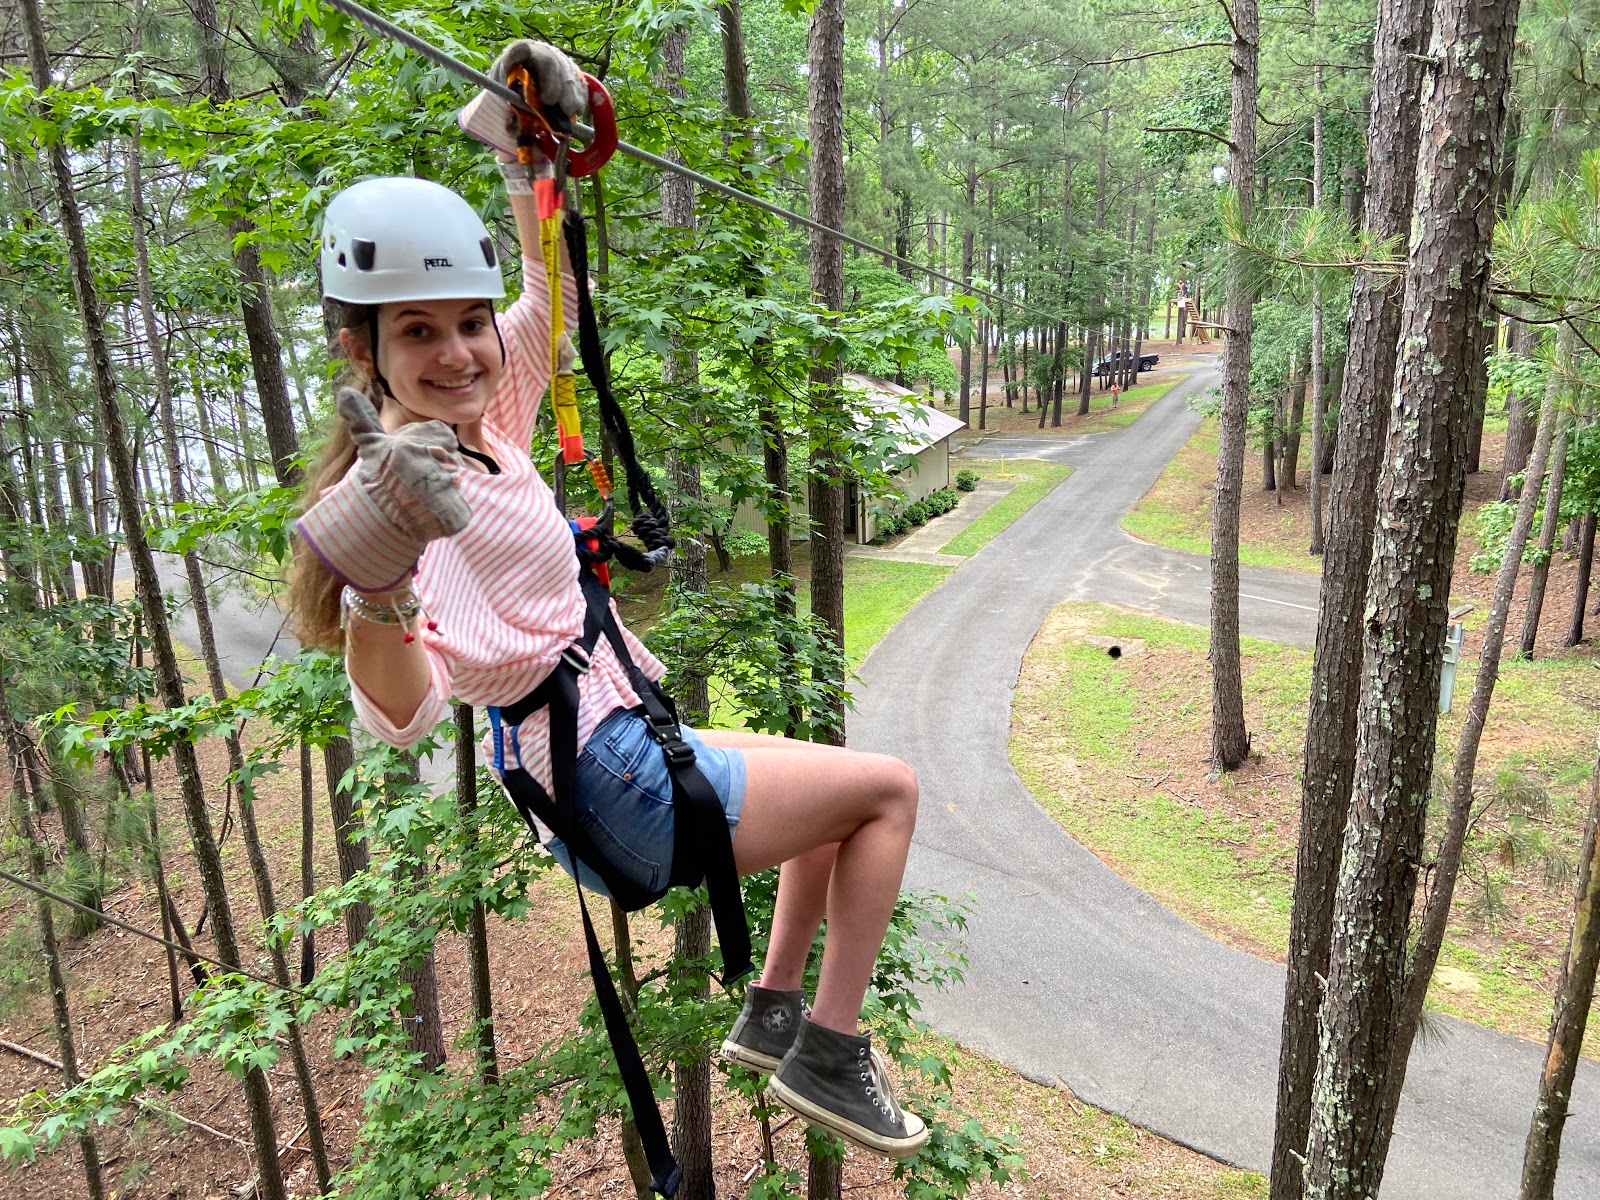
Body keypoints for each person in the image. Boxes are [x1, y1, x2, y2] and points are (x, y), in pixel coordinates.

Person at [288, 40, 928, 1160]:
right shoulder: (405, 500)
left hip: (615, 744)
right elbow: (402, 713)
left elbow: (552, 301)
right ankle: (831, 1051)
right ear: (361, 347)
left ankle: (776, 1013)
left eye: (467, 320)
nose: (460, 351)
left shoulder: (482, 428)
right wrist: (379, 586)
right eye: (417, 331)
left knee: (829, 788)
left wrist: (524, 156)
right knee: (888, 794)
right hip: (607, 778)